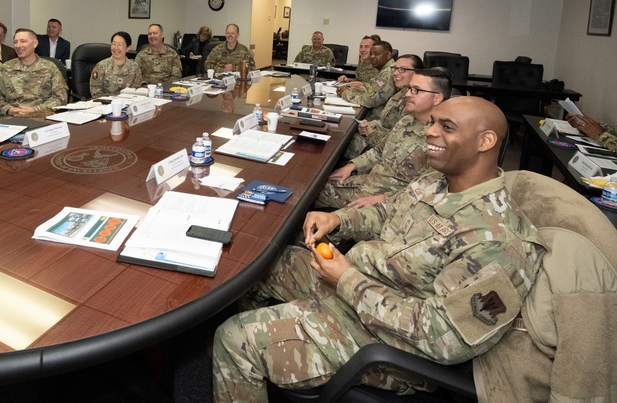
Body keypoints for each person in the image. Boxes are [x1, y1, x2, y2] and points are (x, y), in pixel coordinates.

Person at [212, 97, 545, 402]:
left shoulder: (498, 241)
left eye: (446, 127)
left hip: (387, 344)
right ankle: (268, 352)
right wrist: (338, 220)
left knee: (232, 339)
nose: (428, 132)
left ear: (485, 141)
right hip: (355, 289)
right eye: (431, 123)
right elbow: (387, 211)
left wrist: (347, 280)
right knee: (264, 264)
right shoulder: (436, 181)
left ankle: (254, 352)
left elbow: (444, 339)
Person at [318, 67, 451, 209]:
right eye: (409, 88)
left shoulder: (441, 138)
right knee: (314, 187)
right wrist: (352, 166)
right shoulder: (406, 121)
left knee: (308, 201)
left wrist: (384, 199)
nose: (407, 94)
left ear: (437, 98)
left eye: (416, 90)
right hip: (370, 181)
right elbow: (380, 150)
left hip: (391, 201)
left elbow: (431, 188)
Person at [344, 53, 424, 159]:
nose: (395, 73)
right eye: (395, 68)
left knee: (343, 143)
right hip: (378, 137)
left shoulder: (414, 101)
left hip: (386, 151)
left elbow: (400, 141)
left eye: (403, 69)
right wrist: (371, 125)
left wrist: (371, 132)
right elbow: (385, 122)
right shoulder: (401, 92)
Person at [0, 28, 68, 117]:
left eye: (23, 41)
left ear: (35, 44)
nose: (18, 45)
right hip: (12, 119)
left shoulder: (50, 68)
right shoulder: (5, 69)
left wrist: (35, 110)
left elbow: (61, 97)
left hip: (42, 117)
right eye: (15, 42)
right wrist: (10, 110)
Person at [339, 40, 396, 119]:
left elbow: (371, 100)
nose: (372, 57)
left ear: (388, 55)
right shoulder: (384, 71)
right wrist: (351, 88)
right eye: (371, 54)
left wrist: (345, 93)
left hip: (378, 120)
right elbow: (372, 86)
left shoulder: (387, 74)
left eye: (376, 54)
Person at [90, 32, 143, 98]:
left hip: (128, 104)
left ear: (128, 48)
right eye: (113, 44)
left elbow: (138, 91)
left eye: (120, 45)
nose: (116, 48)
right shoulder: (101, 66)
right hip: (105, 105)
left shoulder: (135, 68)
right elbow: (95, 92)